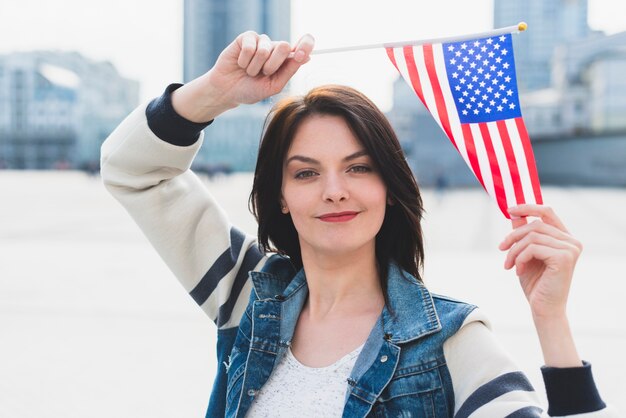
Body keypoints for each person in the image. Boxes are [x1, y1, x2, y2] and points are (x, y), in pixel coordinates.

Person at [101, 31, 617, 417]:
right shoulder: (246, 295)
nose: (334, 190)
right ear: (280, 197)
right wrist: (213, 93)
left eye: (358, 167)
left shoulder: (451, 342)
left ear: (389, 187)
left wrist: (551, 320)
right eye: (306, 172)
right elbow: (133, 170)